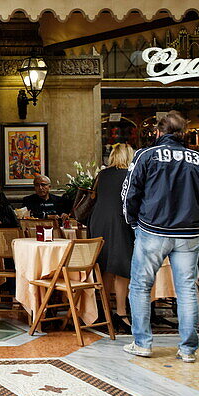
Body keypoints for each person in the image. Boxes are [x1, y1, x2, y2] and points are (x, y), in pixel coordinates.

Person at [122, 111, 199, 363]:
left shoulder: (145, 155)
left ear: (158, 132)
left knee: (141, 286)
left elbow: (129, 193)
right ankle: (188, 349)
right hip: (189, 233)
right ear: (183, 133)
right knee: (187, 288)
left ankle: (142, 343)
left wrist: (134, 222)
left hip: (152, 230)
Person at [89, 143, 135, 334]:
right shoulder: (129, 176)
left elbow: (93, 196)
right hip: (119, 221)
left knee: (105, 265)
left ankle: (105, 310)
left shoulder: (103, 175)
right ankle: (121, 313)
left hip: (98, 221)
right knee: (122, 267)